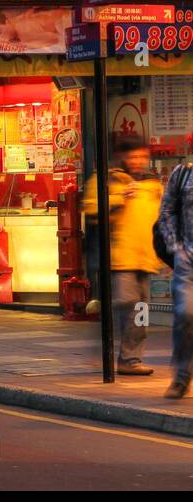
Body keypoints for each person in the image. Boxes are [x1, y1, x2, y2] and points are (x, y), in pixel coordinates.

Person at [82, 136, 163, 376]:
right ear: (122, 157)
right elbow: (92, 209)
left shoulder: (152, 184)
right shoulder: (106, 179)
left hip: (145, 258)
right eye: (133, 156)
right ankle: (109, 337)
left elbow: (161, 218)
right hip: (117, 258)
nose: (138, 161)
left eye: (142, 156)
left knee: (140, 312)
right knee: (127, 304)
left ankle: (131, 359)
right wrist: (120, 199)